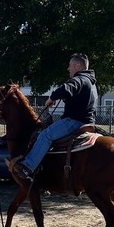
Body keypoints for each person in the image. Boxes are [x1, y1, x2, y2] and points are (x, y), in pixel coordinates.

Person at [15, 53, 98, 181]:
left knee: (45, 135)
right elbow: (80, 99)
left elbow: (67, 87)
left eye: (70, 66)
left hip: (74, 121)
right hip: (87, 122)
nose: (68, 69)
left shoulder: (80, 79)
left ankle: (27, 166)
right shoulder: (91, 83)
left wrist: (52, 97)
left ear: (77, 65)